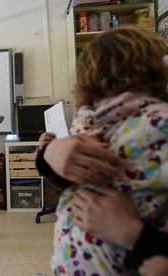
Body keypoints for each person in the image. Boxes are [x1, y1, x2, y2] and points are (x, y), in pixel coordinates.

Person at [36, 27, 168, 274]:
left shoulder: (89, 120)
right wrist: (49, 154)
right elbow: (75, 178)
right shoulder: (89, 120)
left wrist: (132, 233)